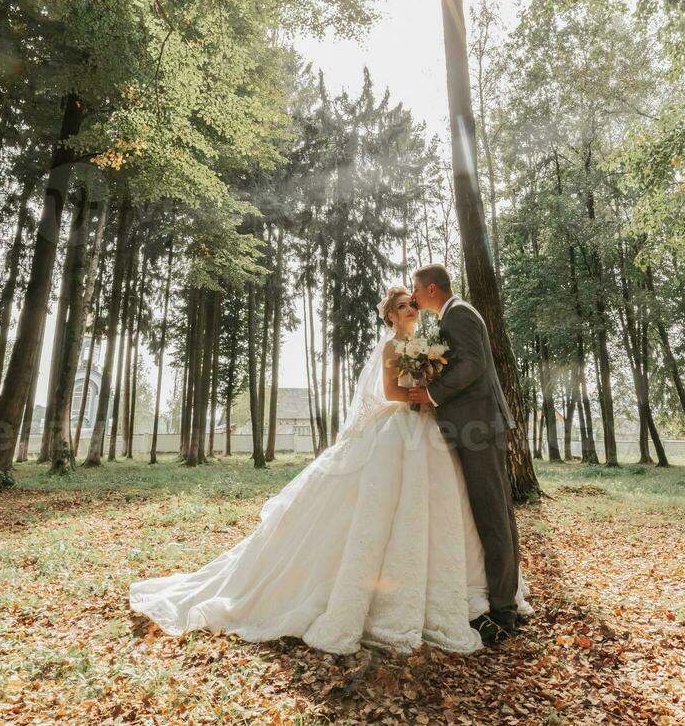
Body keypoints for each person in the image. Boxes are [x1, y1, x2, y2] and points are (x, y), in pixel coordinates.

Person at [129, 284, 529, 655]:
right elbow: (391, 393)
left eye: (412, 303)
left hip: (429, 427)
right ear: (391, 315)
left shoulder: (425, 343)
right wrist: (423, 390)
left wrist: (431, 381)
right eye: (404, 305)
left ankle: (458, 588)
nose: (411, 308)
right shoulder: (393, 347)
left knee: (443, 504)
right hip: (399, 426)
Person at [408, 263, 523, 643]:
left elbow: (472, 365)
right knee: (496, 514)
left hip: (480, 427)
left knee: (494, 516)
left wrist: (431, 393)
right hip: (479, 426)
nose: (414, 296)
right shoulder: (457, 314)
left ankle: (504, 610)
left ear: (431, 289)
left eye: (417, 289)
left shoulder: (457, 315)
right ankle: (504, 599)